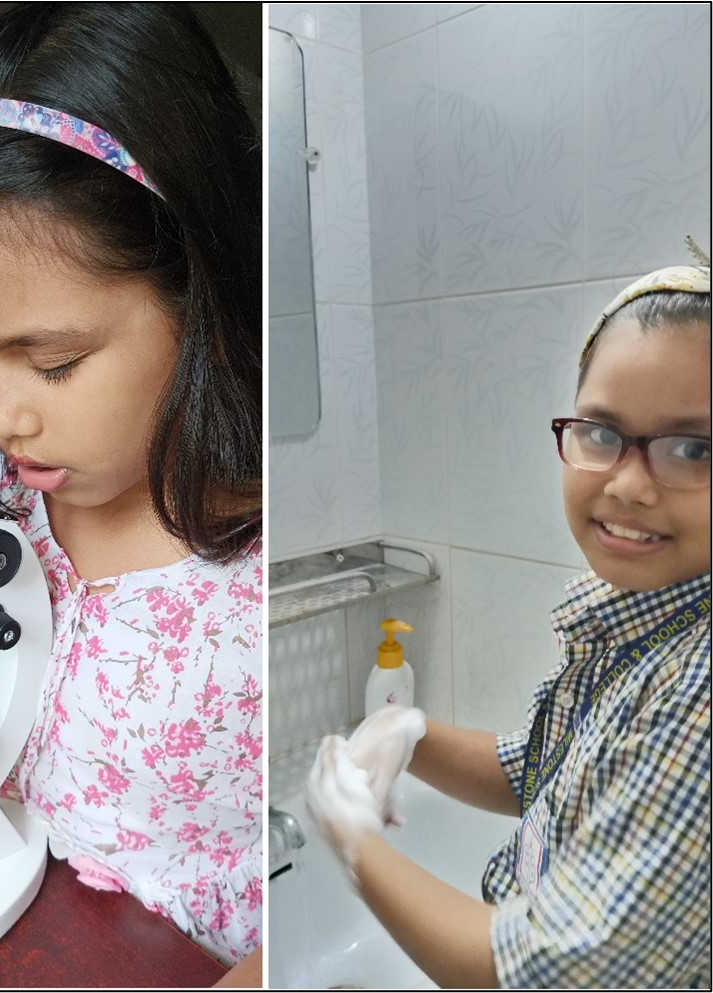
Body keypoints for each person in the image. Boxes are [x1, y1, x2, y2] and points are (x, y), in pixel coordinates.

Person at [0, 3, 262, 984]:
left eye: (52, 363)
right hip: (0, 921)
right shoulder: (15, 489)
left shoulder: (268, 576)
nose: (4, 417)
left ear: (202, 290)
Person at [306, 240, 711, 988]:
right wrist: (411, 731)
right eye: (600, 431)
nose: (626, 483)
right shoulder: (645, 620)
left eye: (691, 448)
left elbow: (549, 971)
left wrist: (357, 845)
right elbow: (546, 768)